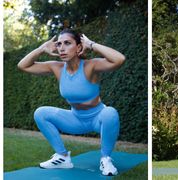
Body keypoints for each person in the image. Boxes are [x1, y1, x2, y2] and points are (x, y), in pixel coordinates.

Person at [17, 29, 125, 176]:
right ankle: (62, 157)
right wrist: (41, 49)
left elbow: (119, 59)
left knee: (110, 112)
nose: (62, 47)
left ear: (79, 47)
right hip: (75, 120)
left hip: (97, 119)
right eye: (59, 44)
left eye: (67, 43)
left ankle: (105, 159)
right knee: (40, 113)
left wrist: (91, 44)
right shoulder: (57, 67)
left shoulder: (90, 66)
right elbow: (23, 66)